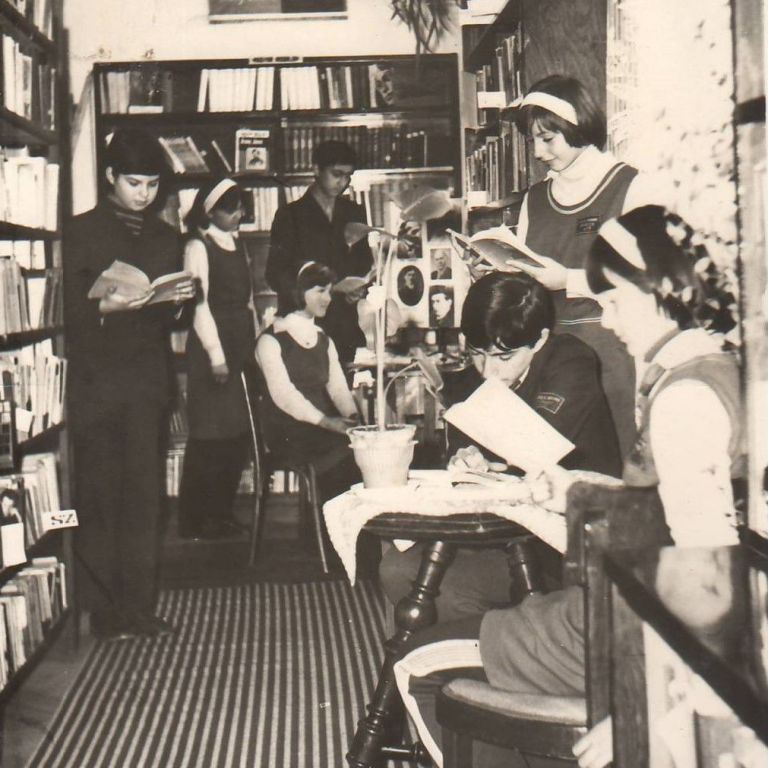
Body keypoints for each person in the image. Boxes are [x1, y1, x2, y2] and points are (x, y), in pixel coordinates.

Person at [393, 205, 744, 768]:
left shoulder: (686, 398)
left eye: (614, 302)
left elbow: (709, 582)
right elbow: (678, 518)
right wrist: (580, 488)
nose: (608, 321)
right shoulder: (714, 369)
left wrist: (650, 709)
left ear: (659, 293)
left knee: (418, 661)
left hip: (622, 629)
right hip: (626, 615)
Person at [380, 271, 621, 623]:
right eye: (478, 354)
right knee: (395, 567)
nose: (488, 371)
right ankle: (459, 648)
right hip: (506, 535)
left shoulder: (571, 360)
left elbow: (538, 445)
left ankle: (485, 646)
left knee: (436, 587)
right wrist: (464, 458)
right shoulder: (472, 377)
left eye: (503, 357)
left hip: (564, 549)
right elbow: (462, 443)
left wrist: (489, 456)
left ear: (539, 340)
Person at [64, 129, 197, 641]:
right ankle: (103, 611)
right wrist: (104, 305)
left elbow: (168, 318)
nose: (144, 194)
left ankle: (138, 608)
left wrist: (178, 300)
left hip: (144, 383)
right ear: (110, 176)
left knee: (144, 499)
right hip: (96, 384)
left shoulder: (165, 236)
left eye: (152, 185)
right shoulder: (79, 232)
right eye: (134, 183)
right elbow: (64, 311)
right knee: (100, 496)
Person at [507, 75, 668, 460]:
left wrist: (569, 280)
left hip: (612, 354)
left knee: (611, 463)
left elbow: (651, 281)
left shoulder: (632, 186)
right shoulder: (534, 199)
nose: (539, 152)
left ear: (577, 125)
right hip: (549, 361)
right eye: (532, 140)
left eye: (548, 138)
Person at [177, 178, 256, 539]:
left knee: (236, 436)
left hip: (240, 345)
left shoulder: (238, 243)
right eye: (231, 209)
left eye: (241, 207)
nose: (239, 214)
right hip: (214, 348)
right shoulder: (198, 246)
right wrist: (216, 355)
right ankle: (194, 520)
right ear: (209, 212)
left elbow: (248, 301)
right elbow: (198, 305)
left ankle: (222, 513)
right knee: (209, 436)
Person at [255, 261, 361, 505]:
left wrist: (353, 418)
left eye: (330, 291)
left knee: (365, 446)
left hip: (321, 426)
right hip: (287, 430)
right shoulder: (270, 341)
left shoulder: (324, 339)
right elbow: (284, 396)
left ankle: (343, 525)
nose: (328, 299)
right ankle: (324, 526)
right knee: (344, 451)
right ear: (298, 292)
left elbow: (338, 388)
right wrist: (327, 422)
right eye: (320, 291)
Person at [266, 140, 372, 362]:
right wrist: (326, 288)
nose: (343, 182)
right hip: (302, 326)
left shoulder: (354, 212)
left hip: (344, 325)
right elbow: (275, 275)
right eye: (336, 174)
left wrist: (358, 289)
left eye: (348, 176)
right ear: (316, 169)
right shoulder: (289, 215)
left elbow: (364, 262)